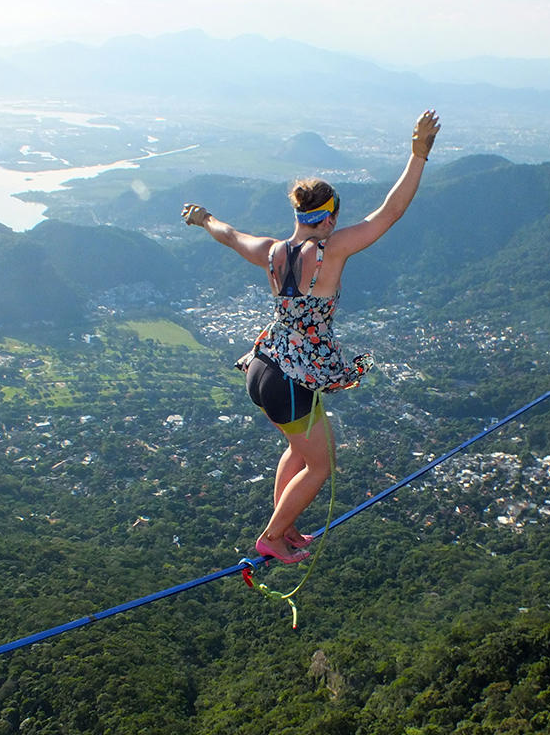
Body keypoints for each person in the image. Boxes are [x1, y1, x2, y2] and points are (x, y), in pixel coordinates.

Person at [181, 110, 441, 563]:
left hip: (263, 365)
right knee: (321, 465)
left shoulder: (270, 251)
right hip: (290, 380)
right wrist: (418, 155)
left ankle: (286, 523)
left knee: (299, 452)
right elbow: (391, 211)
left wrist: (203, 217)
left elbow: (228, 235)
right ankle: (273, 535)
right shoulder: (331, 250)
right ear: (330, 218)